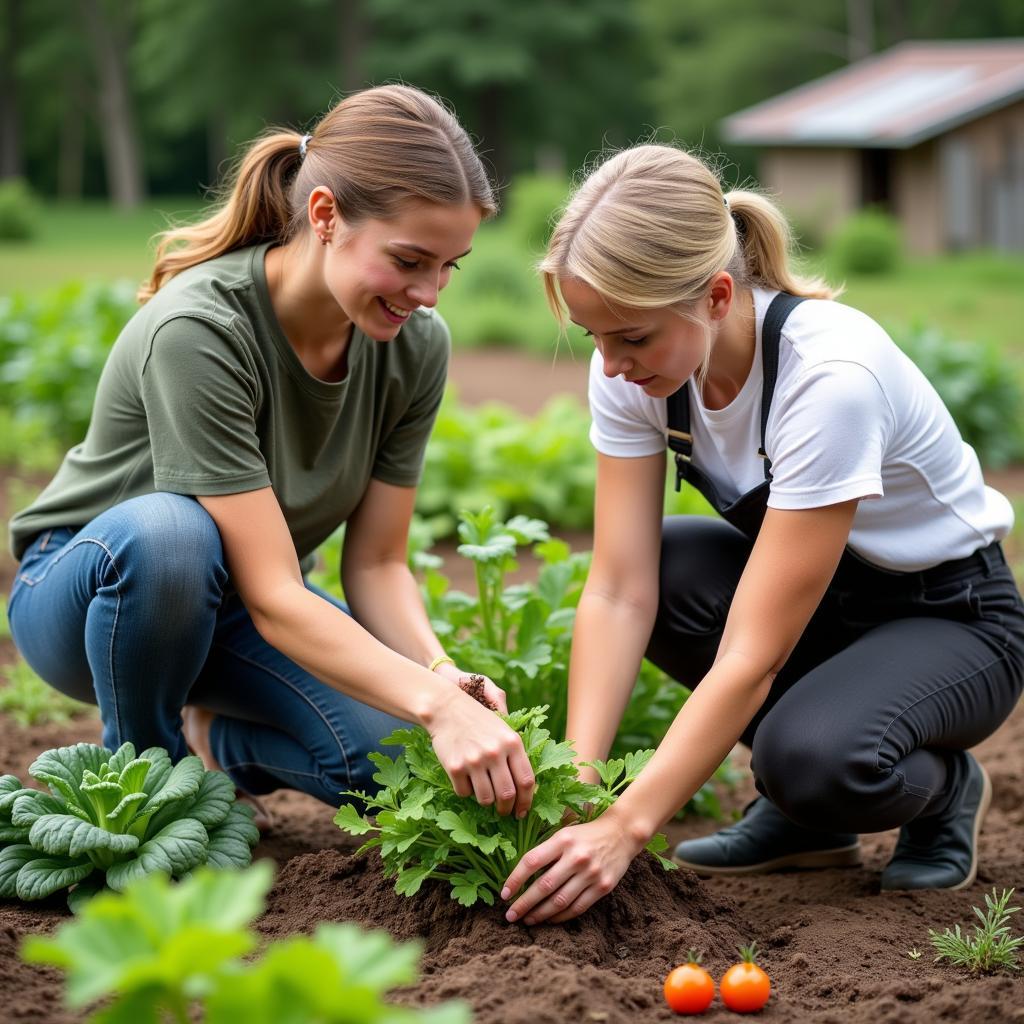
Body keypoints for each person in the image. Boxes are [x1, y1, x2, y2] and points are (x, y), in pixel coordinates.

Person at [500, 143, 1024, 925]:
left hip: (950, 619)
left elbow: (754, 653)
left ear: (715, 296)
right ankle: (808, 819)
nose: (609, 365)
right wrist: (578, 786)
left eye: (632, 338)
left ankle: (937, 791)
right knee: (670, 570)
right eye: (594, 337)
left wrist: (625, 828)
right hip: (829, 607)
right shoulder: (638, 370)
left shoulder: (828, 379)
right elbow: (617, 589)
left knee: (811, 757)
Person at [7, 84, 535, 829]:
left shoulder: (415, 347)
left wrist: (440, 676)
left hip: (240, 607)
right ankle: (146, 789)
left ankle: (220, 743)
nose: (430, 294)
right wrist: (438, 705)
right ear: (324, 216)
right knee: (171, 536)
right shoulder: (201, 329)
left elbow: (378, 563)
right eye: (411, 259)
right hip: (97, 594)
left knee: (400, 766)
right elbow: (277, 593)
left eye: (451, 266)